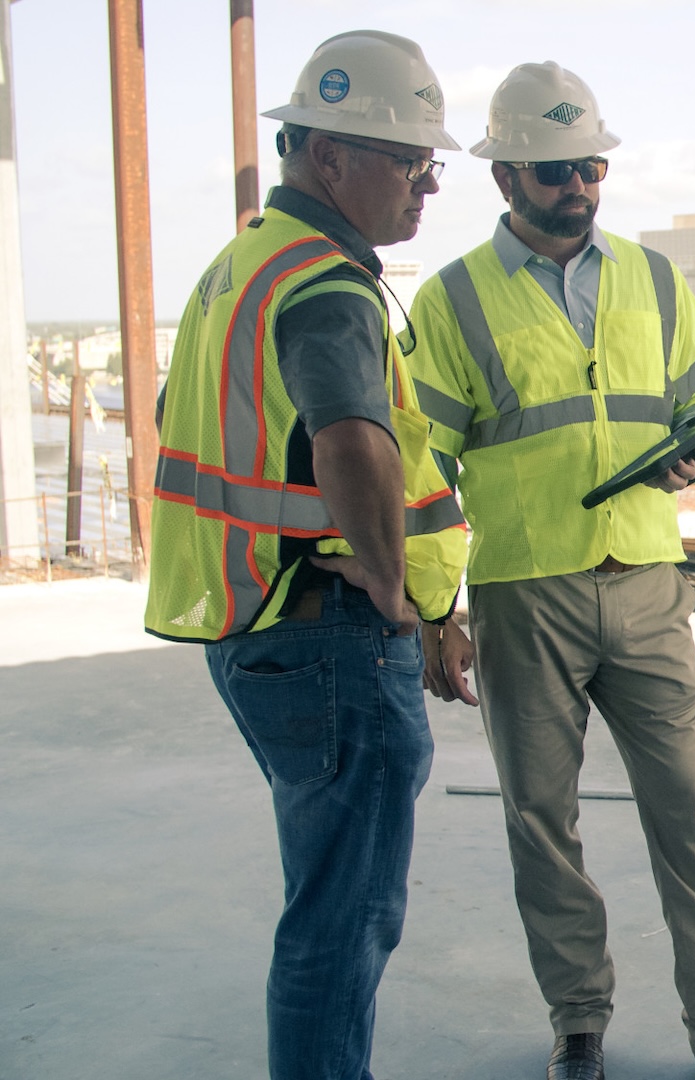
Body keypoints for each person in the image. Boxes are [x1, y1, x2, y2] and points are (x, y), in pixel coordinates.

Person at [406, 62, 695, 1080]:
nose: (579, 185)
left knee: (689, 819)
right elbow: (421, 468)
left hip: (649, 581)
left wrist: (692, 453)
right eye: (556, 169)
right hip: (527, 590)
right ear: (507, 179)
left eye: (592, 166)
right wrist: (439, 608)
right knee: (542, 821)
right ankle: (579, 1020)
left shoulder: (654, 280)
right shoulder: (450, 302)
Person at [142, 29, 467, 1080]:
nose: (426, 186)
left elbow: (176, 415)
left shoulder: (237, 269)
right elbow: (352, 443)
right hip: (326, 634)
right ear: (328, 157)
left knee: (324, 903)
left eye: (433, 165)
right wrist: (390, 589)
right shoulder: (325, 284)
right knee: (342, 923)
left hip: (253, 625)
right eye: (408, 160)